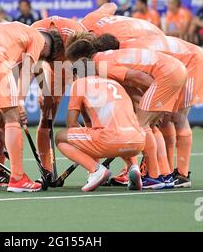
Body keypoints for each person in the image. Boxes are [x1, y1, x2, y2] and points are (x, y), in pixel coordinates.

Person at [65, 36, 187, 189]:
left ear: (80, 59)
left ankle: (154, 177)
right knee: (151, 126)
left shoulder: (103, 65)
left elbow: (140, 77)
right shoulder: (106, 59)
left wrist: (155, 100)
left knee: (141, 126)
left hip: (167, 73)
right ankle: (165, 174)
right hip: (175, 70)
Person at [0, 21, 64, 193]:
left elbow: (34, 68)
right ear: (46, 45)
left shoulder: (16, 29)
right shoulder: (38, 38)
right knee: (12, 118)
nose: (41, 59)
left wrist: (45, 93)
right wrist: (20, 101)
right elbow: (28, 69)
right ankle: (17, 179)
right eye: (44, 56)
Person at [118, 35, 203, 188]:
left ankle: (182, 174)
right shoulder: (126, 48)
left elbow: (147, 78)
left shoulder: (128, 53)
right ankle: (165, 170)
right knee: (166, 117)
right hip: (178, 65)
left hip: (193, 62)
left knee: (179, 117)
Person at [55, 63, 145, 192]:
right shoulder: (114, 83)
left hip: (109, 140)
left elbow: (71, 123)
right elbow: (91, 127)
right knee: (120, 131)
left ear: (76, 75)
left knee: (60, 137)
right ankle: (133, 167)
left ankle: (96, 170)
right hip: (137, 142)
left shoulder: (80, 83)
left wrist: (83, 147)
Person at [31, 16, 83, 176]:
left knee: (89, 110)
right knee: (46, 116)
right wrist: (45, 93)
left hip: (77, 63)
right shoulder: (33, 34)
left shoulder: (75, 33)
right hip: (53, 69)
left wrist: (80, 86)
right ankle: (46, 169)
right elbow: (35, 64)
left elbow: (86, 63)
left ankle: (94, 167)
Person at [81, 3, 164, 41]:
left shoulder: (90, 18)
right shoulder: (92, 16)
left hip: (145, 33)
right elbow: (112, 6)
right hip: (148, 30)